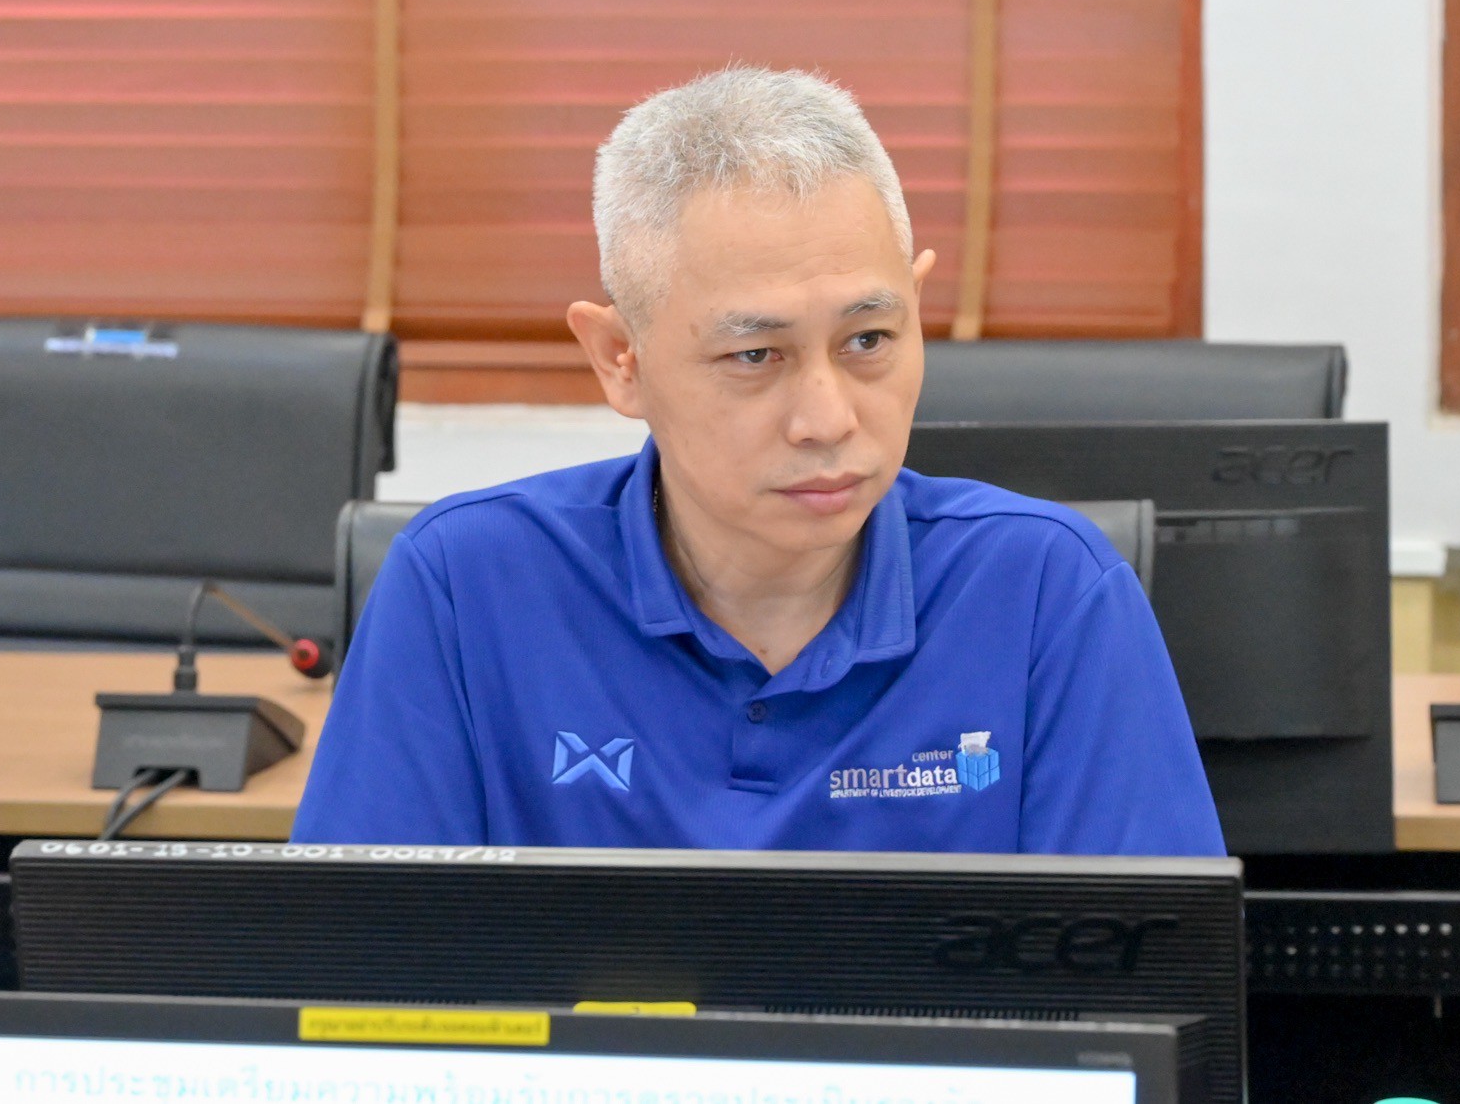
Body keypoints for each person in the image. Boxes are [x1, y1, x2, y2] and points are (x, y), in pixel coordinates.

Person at [293, 66, 1223, 855]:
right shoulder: (465, 586)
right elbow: (353, 984)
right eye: (754, 355)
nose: (827, 419)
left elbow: (1145, 996)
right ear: (621, 360)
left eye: (868, 340)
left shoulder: (1049, 592)